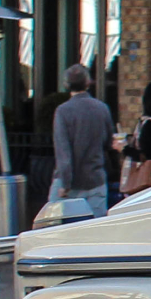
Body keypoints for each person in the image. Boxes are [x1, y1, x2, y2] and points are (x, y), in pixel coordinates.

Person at [46, 65, 114, 220]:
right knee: (95, 231)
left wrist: (65, 183)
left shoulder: (63, 111)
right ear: (88, 82)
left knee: (52, 229)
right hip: (95, 179)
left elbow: (63, 151)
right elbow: (109, 142)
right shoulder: (102, 108)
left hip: (70, 184)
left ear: (66, 85)